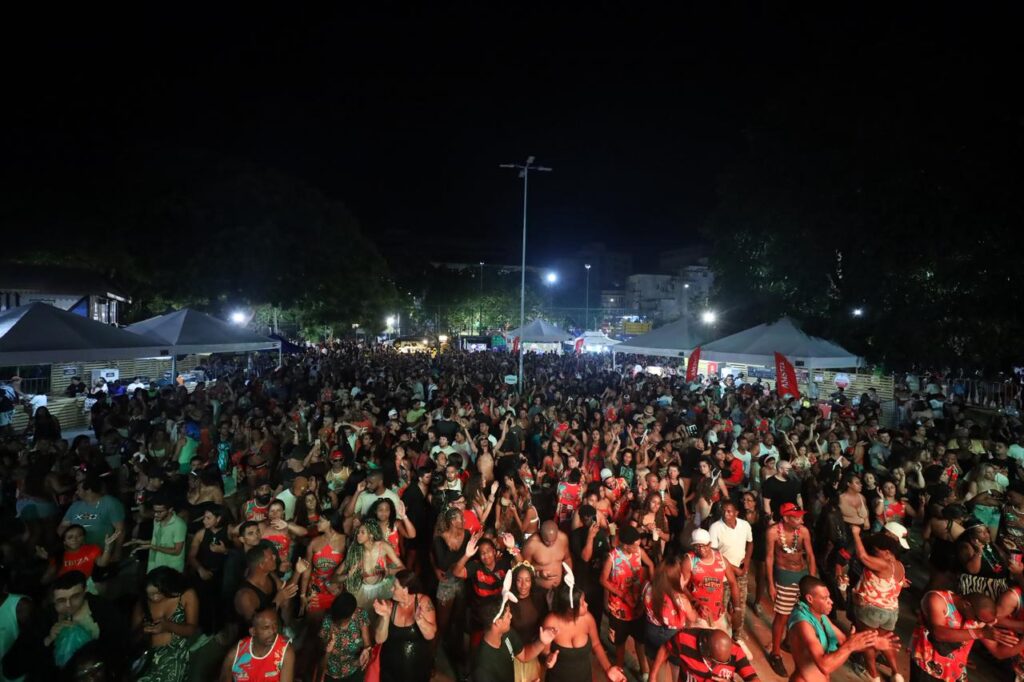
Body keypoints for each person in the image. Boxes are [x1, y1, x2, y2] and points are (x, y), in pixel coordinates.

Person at [788, 575, 899, 682]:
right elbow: (825, 666)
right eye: (824, 598)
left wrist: (873, 643)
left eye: (829, 597)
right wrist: (851, 645)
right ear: (810, 599)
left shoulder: (820, 616)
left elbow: (844, 641)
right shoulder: (802, 624)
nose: (831, 601)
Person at [910, 590, 1021, 682]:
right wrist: (980, 633)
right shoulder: (937, 599)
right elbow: (938, 633)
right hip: (928, 668)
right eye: (978, 619)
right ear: (966, 605)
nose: (978, 622)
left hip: (955, 672)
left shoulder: (978, 620)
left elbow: (998, 652)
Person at [765, 502, 817, 677]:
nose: (801, 520)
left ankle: (788, 642)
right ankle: (776, 653)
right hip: (784, 575)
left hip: (802, 574)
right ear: (786, 518)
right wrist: (771, 584)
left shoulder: (803, 532)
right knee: (782, 615)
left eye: (801, 516)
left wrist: (811, 580)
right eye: (796, 517)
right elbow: (769, 558)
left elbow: (810, 555)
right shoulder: (773, 532)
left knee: (799, 611)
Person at [542, 583, 626, 682]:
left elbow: (596, 644)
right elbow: (544, 652)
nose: (587, 604)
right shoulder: (550, 622)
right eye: (582, 603)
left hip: (584, 677)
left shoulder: (588, 619)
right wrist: (548, 659)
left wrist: (608, 668)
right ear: (570, 609)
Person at [600, 524, 653, 678]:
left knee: (640, 641)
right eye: (634, 545)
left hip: (638, 606)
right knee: (620, 644)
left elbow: (650, 564)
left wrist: (651, 585)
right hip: (619, 609)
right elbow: (603, 580)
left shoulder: (639, 552)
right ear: (625, 545)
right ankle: (620, 670)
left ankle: (644, 672)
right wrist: (622, 594)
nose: (638, 548)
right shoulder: (612, 557)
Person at [131, 567, 199, 682]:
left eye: (158, 593)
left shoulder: (186, 595)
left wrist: (168, 626)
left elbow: (192, 629)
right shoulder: (142, 603)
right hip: (147, 658)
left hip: (174, 656)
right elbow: (132, 637)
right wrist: (143, 630)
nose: (154, 597)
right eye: (150, 595)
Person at [470, 599, 557, 682]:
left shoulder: (506, 633)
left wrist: (541, 642)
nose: (511, 616)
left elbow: (524, 655)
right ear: (498, 622)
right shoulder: (482, 667)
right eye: (508, 615)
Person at [372, 570, 436, 682]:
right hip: (390, 668)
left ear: (405, 589)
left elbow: (430, 635)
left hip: (416, 669)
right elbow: (379, 639)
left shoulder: (424, 602)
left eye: (395, 587)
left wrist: (420, 620)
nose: (391, 589)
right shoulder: (390, 605)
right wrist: (385, 617)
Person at [681, 528, 742, 634]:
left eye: (704, 545)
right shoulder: (690, 561)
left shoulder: (721, 560)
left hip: (718, 613)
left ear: (710, 544)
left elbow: (733, 583)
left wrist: (737, 609)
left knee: (723, 640)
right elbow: (682, 586)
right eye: (697, 546)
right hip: (697, 614)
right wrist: (696, 604)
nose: (700, 549)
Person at [709, 500, 754, 635]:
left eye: (729, 511)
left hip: (741, 571)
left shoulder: (744, 525)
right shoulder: (715, 527)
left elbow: (750, 543)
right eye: (723, 510)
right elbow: (715, 553)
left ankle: (736, 635)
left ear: (736, 513)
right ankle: (722, 635)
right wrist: (735, 569)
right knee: (721, 606)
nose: (725, 514)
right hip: (722, 573)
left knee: (739, 606)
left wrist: (746, 562)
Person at [649, 626, 757, 682]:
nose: (719, 665)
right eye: (716, 661)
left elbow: (753, 678)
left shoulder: (736, 651)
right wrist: (653, 676)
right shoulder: (685, 638)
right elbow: (666, 648)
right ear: (706, 652)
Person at [220, 608, 295, 682]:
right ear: (253, 631)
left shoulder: (285, 651)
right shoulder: (236, 653)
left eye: (275, 625)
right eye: (266, 628)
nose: (273, 631)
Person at [318, 592, 370, 682]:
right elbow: (322, 663)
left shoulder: (360, 615)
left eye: (344, 620)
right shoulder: (327, 623)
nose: (340, 624)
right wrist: (327, 651)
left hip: (354, 667)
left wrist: (366, 651)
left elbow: (367, 642)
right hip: (332, 672)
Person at [522, 520, 573, 590]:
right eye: (547, 541)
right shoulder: (531, 544)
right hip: (539, 589)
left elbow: (567, 558)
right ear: (541, 535)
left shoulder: (563, 538)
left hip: (560, 587)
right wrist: (539, 573)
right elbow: (523, 568)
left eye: (553, 541)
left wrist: (569, 574)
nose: (551, 544)